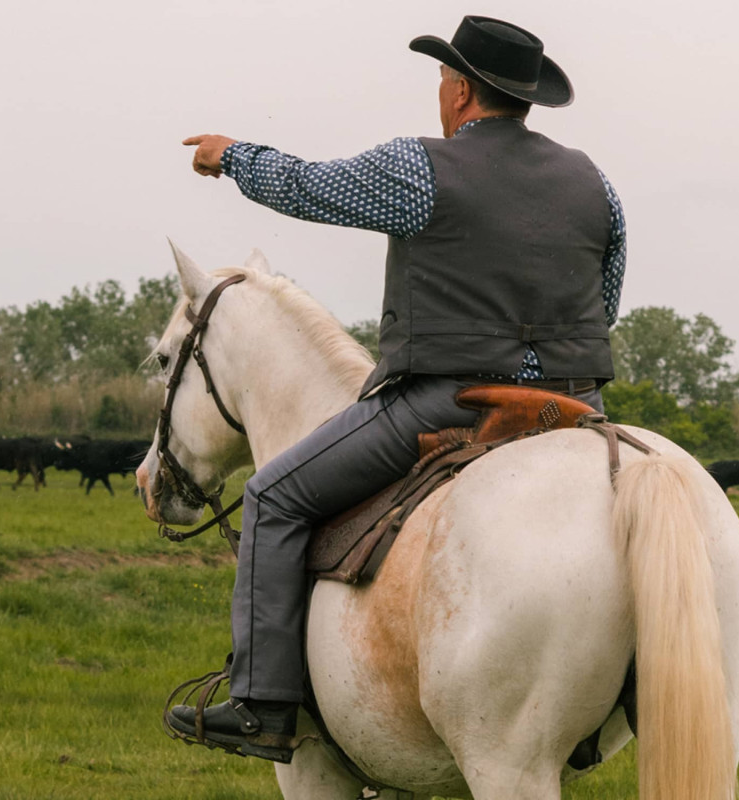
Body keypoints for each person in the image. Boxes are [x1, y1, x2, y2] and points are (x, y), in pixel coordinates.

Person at [168, 15, 627, 763]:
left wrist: (233, 157)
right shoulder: (594, 184)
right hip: (573, 412)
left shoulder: (422, 169)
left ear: (460, 90)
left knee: (271, 498)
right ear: (526, 98)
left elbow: (311, 188)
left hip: (453, 402)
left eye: (443, 81)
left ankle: (261, 706)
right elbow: (602, 300)